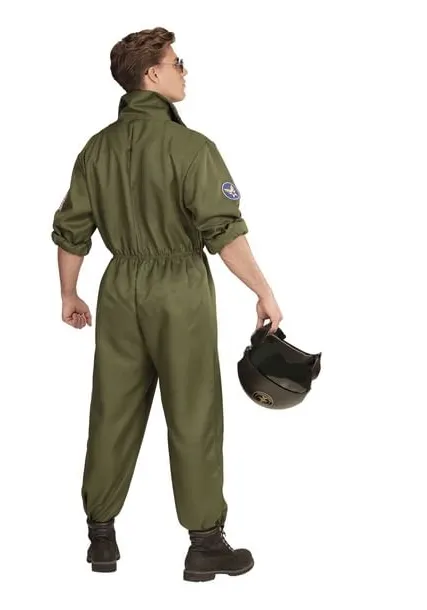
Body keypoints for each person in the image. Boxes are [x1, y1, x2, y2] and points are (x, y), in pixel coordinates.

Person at [50, 27, 282, 581]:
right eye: (177, 63)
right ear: (152, 75)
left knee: (113, 407)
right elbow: (223, 232)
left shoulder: (96, 149)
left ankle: (100, 537)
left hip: (118, 288)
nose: (184, 71)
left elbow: (71, 230)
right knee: (193, 409)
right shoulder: (192, 148)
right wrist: (263, 291)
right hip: (179, 289)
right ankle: (205, 544)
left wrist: (69, 293)